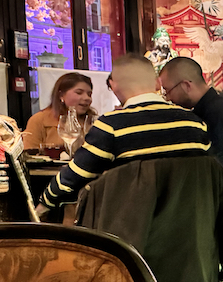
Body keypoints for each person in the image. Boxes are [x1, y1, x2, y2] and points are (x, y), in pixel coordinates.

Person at [36, 54, 211, 216]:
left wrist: (43, 204)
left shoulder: (112, 126)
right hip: (192, 226)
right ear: (157, 83)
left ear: (114, 86)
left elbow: (73, 177)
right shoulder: (196, 124)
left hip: (134, 229)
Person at [158, 57, 223, 174]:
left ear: (186, 85)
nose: (168, 98)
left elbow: (215, 168)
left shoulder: (216, 112)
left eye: (167, 91)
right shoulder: (221, 106)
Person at [22, 72, 97, 151]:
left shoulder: (94, 121)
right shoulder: (40, 120)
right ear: (61, 95)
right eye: (79, 93)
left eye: (89, 94)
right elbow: (30, 154)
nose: (87, 98)